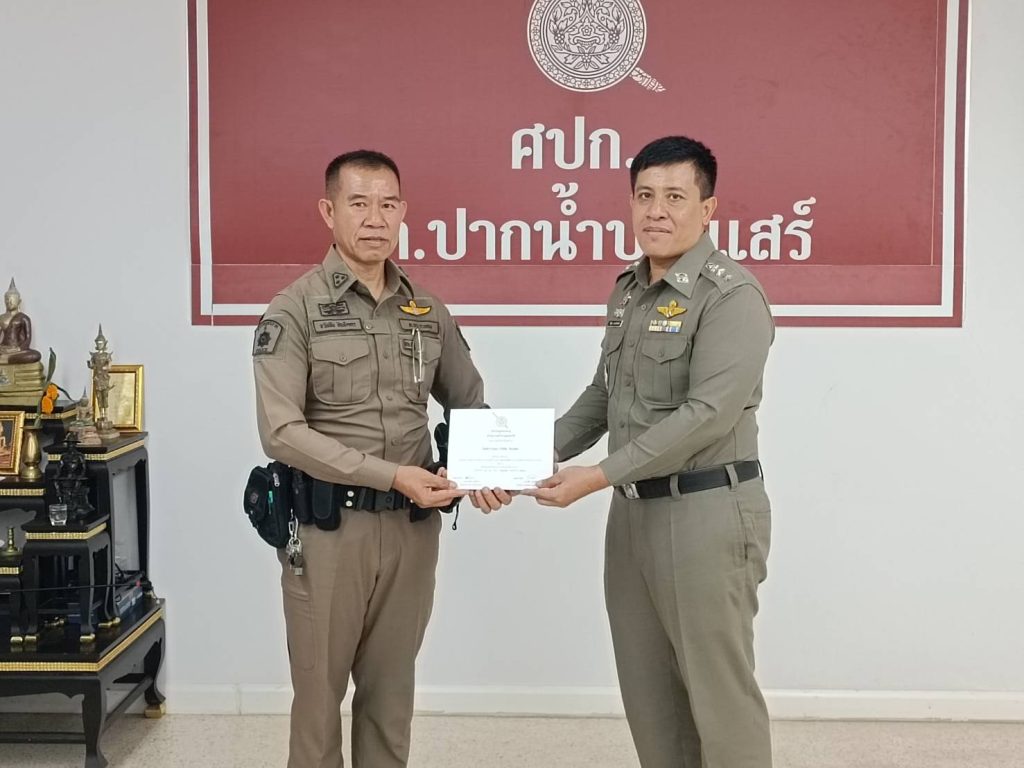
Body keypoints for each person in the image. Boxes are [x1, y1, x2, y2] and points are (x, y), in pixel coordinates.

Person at [519, 135, 775, 767]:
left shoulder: (731, 297)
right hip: (632, 515)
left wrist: (597, 475)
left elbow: (706, 416)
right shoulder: (629, 291)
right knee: (650, 698)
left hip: (706, 513)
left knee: (719, 702)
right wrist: (519, 458)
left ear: (708, 209)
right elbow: (604, 396)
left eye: (674, 197)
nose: (656, 211)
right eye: (644, 195)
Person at [252, 150, 485, 768]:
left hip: (412, 532)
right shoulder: (294, 310)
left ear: (403, 211)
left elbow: (470, 405)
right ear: (329, 212)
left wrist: (488, 470)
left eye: (387, 204)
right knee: (318, 702)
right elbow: (281, 433)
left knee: (391, 698)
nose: (375, 218)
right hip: (330, 533)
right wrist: (392, 475)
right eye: (358, 203)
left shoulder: (427, 311)